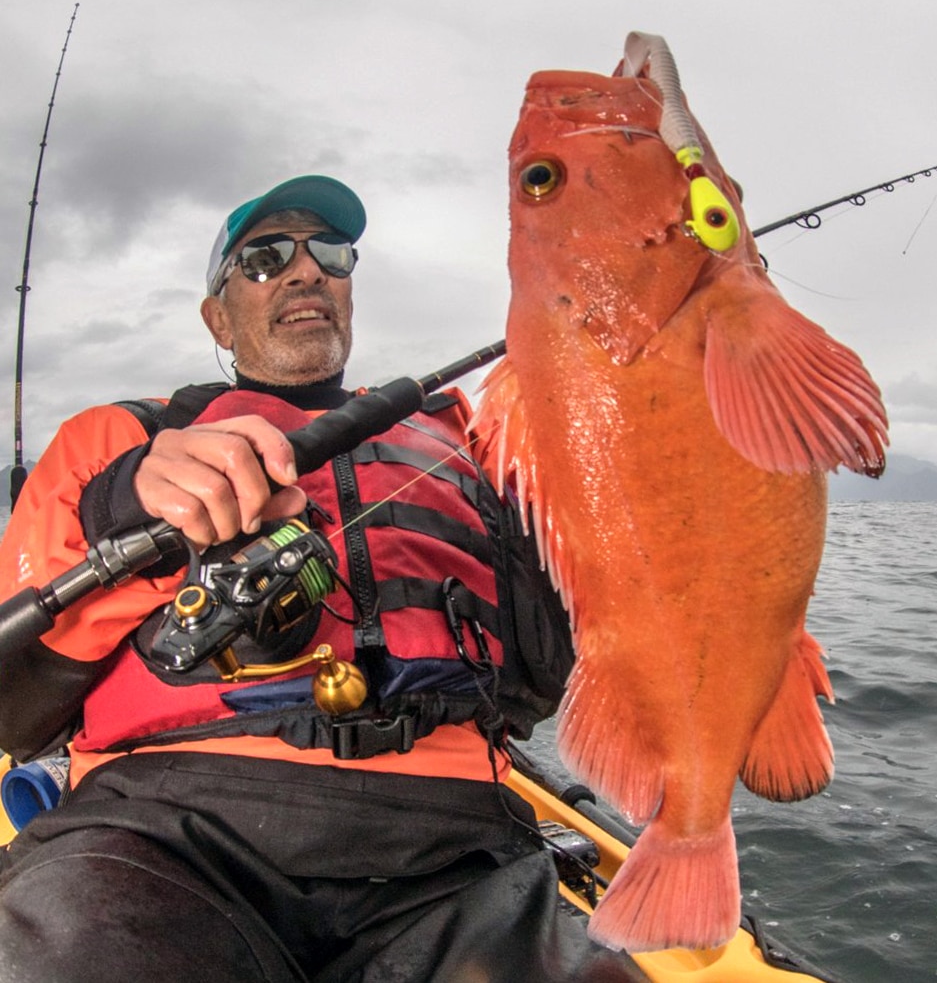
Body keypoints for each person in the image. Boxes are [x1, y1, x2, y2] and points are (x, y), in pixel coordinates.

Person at [0, 176, 646, 982]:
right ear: (218, 315)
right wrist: (125, 503)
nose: (306, 271)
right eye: (266, 257)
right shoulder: (116, 437)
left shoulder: (473, 441)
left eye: (330, 253)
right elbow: (15, 708)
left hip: (456, 851)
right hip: (159, 830)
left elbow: (550, 669)